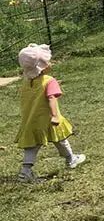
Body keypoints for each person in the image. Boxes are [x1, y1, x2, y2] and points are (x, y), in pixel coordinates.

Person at [15, 44, 86, 182]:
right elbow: (51, 98)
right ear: (42, 66)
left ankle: (26, 171)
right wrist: (54, 115)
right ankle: (70, 159)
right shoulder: (49, 81)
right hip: (48, 119)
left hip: (31, 120)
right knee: (60, 139)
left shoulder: (26, 82)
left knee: (32, 147)